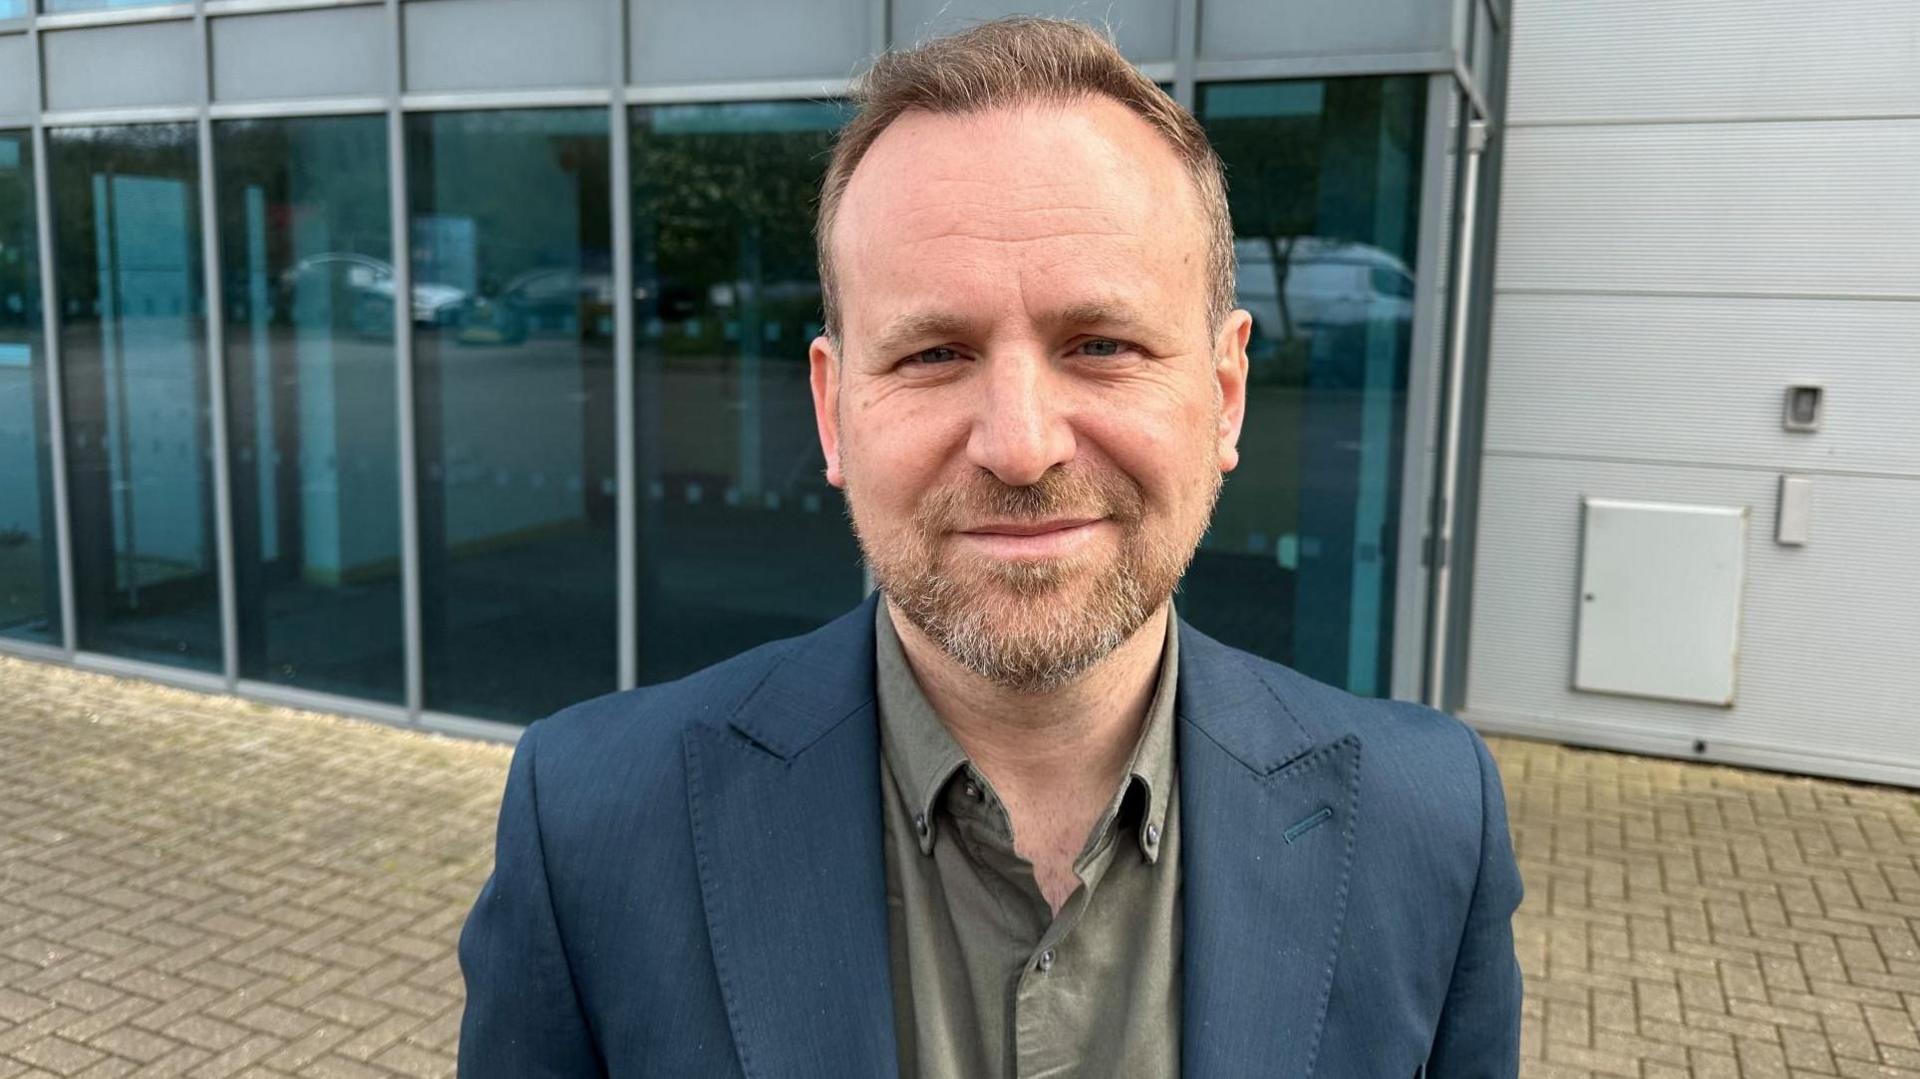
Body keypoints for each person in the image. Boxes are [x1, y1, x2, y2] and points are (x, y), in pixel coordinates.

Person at [457, 16, 1522, 1078]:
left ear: (1225, 392)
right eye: (934, 351)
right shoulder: (591, 829)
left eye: (1100, 344)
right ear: (834, 411)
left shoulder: (1427, 830)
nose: (1019, 446)